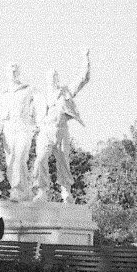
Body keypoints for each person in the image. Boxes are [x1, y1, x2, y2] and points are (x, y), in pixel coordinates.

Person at [31, 49, 91, 203]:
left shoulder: (66, 92)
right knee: (40, 158)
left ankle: (66, 191)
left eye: (55, 76)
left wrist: (85, 59)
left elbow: (83, 79)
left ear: (58, 78)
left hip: (61, 130)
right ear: (46, 80)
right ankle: (42, 190)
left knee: (63, 161)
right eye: (50, 77)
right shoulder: (40, 95)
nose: (53, 79)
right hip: (45, 130)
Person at [0, 63, 37, 202]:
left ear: (19, 73)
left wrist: (35, 124)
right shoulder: (2, 93)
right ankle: (24, 190)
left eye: (15, 71)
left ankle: (18, 189)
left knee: (20, 158)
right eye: (10, 71)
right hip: (8, 128)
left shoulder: (27, 89)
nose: (13, 74)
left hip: (23, 127)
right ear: (6, 74)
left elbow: (36, 107)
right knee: (11, 160)